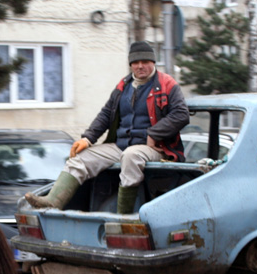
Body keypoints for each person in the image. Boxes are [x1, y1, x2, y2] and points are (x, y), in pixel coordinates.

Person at [24, 41, 189, 214]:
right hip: (122, 145)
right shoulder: (123, 86)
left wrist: (154, 133)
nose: (140, 66)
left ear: (153, 62)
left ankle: (123, 216)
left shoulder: (167, 84)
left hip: (155, 148)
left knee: (131, 156)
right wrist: (87, 138)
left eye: (145, 62)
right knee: (81, 158)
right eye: (135, 62)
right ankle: (53, 201)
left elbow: (181, 114)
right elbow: (105, 114)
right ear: (130, 64)